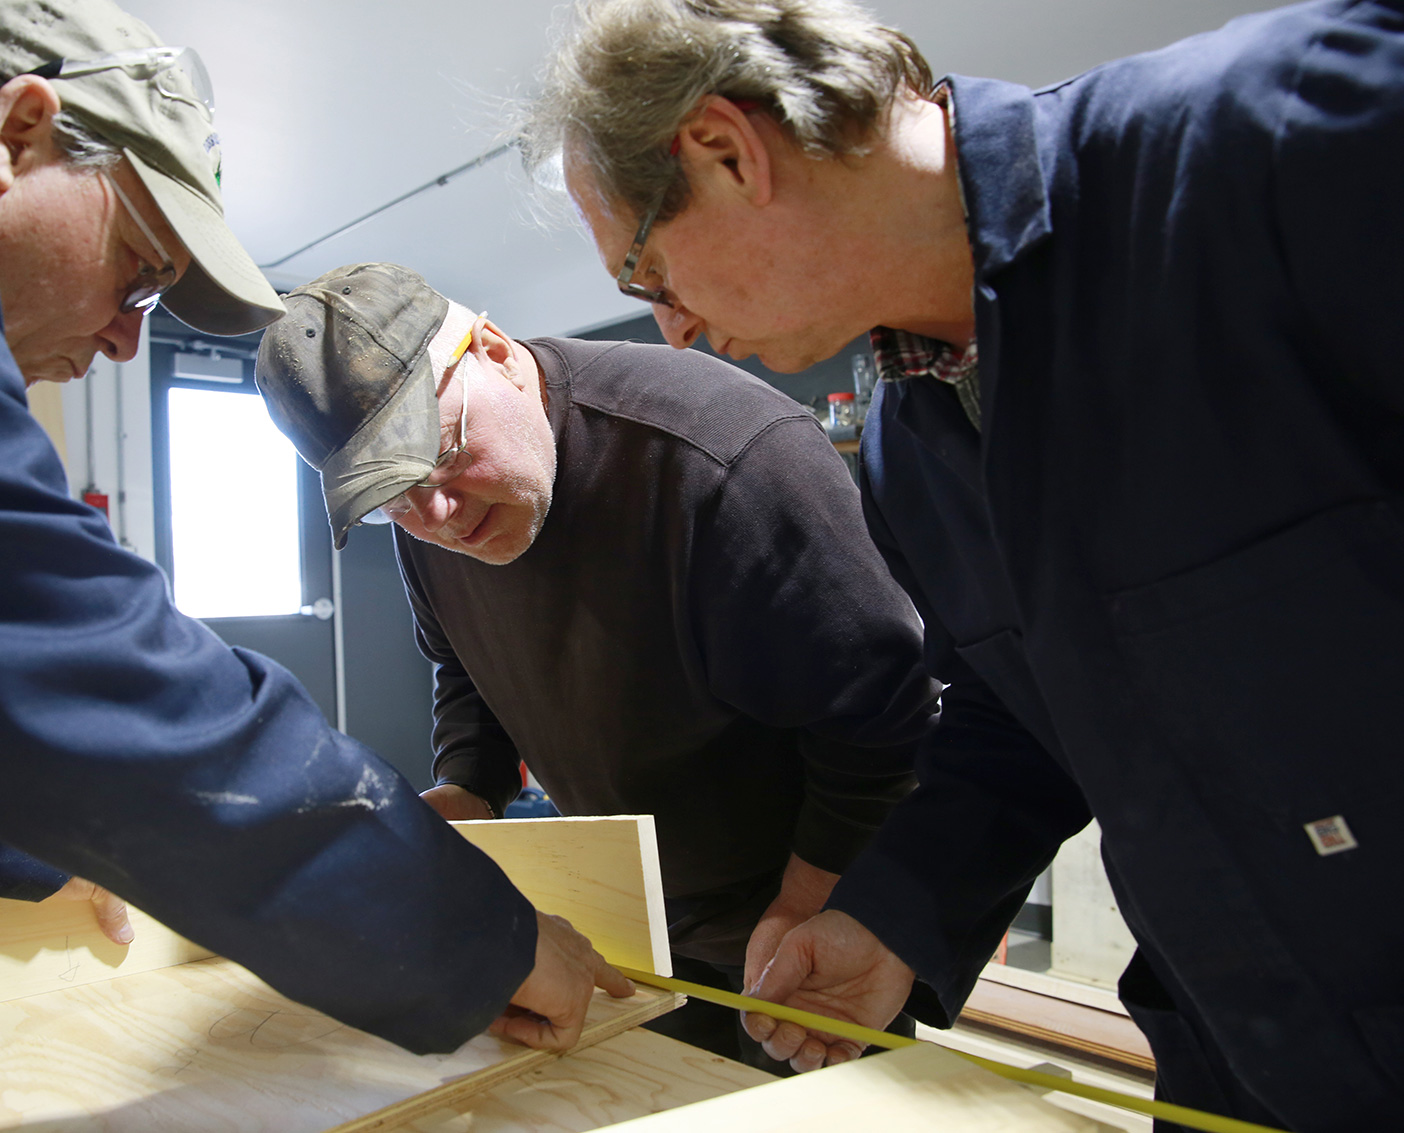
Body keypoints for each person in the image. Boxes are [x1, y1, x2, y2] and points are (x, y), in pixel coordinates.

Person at [523, 0, 1404, 1127]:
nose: (673, 329)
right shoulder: (911, 445)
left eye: (648, 275)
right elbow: (1018, 723)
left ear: (725, 151)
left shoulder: (1282, 137)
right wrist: (892, 915)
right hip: (1241, 1057)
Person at [0, 0, 630, 1058]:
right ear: (18, 132)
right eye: (138, 274)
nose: (121, 341)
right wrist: (478, 935)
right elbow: (90, 669)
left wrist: (65, 840)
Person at [253, 262, 940, 1068]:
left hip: (805, 917)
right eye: (389, 497)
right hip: (626, 915)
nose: (435, 516)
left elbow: (884, 718)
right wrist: (468, 787)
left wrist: (809, 897)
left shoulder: (724, 462)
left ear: (494, 352)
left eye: (441, 454)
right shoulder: (434, 516)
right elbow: (467, 666)